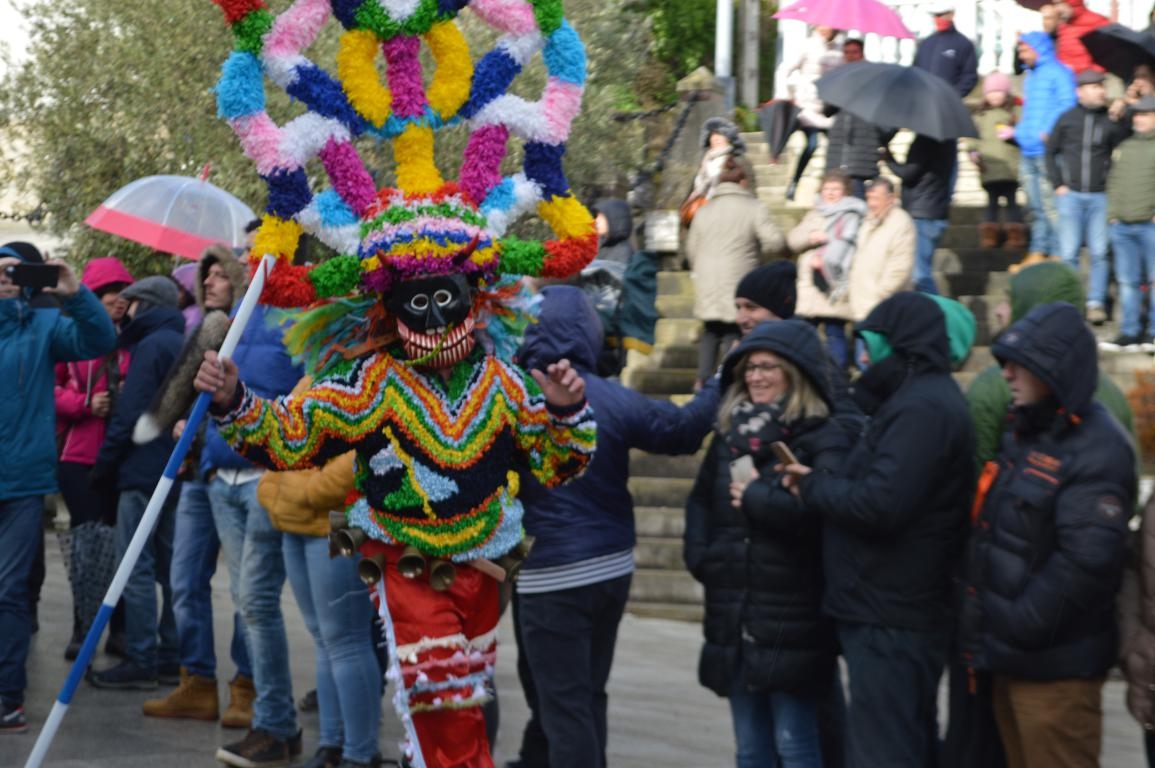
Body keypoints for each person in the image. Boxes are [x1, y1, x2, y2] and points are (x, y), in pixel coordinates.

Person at [509, 285, 714, 768]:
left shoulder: (514, 397)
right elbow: (682, 431)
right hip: (611, 567)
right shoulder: (612, 399)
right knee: (585, 693)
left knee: (563, 703)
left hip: (550, 573)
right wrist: (722, 382)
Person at [781, 292, 976, 768]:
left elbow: (879, 503)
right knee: (904, 738)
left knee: (884, 749)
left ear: (901, 345)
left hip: (893, 612)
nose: (863, 358)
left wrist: (814, 487)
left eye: (872, 344)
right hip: (888, 606)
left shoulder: (923, 409)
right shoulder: (913, 400)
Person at [959, 301, 1135, 768]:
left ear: (1054, 371)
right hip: (1013, 660)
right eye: (1005, 363)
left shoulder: (1098, 448)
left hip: (1055, 674)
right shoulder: (1027, 433)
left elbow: (1086, 564)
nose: (1008, 375)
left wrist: (1017, 625)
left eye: (1021, 364)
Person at [685, 319, 846, 768]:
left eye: (767, 367)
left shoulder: (820, 436)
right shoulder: (728, 435)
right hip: (735, 606)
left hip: (791, 615)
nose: (755, 377)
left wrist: (759, 498)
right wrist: (703, 559)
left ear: (795, 372)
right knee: (750, 748)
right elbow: (700, 502)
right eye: (749, 368)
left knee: (795, 743)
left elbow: (823, 512)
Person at [141, 245, 258, 732]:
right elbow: (185, 396)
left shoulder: (261, 329)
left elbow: (262, 394)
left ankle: (247, 687)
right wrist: (181, 422)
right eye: (204, 277)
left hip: (246, 472)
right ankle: (197, 684)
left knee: (247, 591)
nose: (206, 283)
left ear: (238, 278)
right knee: (185, 580)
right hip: (201, 470)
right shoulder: (203, 330)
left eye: (217, 276)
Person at [0, 242, 116, 733]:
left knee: (9, 591)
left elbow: (99, 338)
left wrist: (74, 292)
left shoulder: (44, 326)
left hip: (25, 482)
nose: (4, 277)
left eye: (12, 270)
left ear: (28, 278)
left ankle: (8, 695)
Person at [255, 418, 381, 768]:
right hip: (295, 523)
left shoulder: (373, 374)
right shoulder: (314, 375)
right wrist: (277, 487)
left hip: (337, 525)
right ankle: (332, 745)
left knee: (347, 641)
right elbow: (281, 433)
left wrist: (301, 491)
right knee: (325, 640)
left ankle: (360, 752)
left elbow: (356, 460)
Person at [87, 276, 186, 689]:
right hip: (173, 471)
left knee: (137, 567)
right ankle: (169, 655)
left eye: (130, 305)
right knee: (169, 570)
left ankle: (141, 656)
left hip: (141, 470)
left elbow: (131, 418)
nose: (125, 312)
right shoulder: (182, 343)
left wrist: (103, 466)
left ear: (144, 306)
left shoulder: (150, 347)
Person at [54, 256, 133, 661]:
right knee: (86, 548)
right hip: (79, 458)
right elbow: (49, 390)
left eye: (122, 295)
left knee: (119, 546)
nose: (117, 302)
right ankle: (82, 626)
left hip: (119, 458)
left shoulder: (133, 345)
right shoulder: (72, 339)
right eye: (108, 295)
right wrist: (85, 403)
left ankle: (119, 629)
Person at [687, 158, 786, 390]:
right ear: (743, 181)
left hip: (707, 279)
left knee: (711, 330)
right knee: (735, 328)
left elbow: (691, 249)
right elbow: (775, 242)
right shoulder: (754, 208)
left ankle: (701, 380)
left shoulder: (703, 211)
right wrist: (761, 258)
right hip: (740, 278)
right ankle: (729, 380)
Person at [1046, 69, 1130, 326]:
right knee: (1068, 252)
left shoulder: (1110, 120)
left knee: (1099, 253)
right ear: (1080, 91)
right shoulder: (1067, 119)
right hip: (1070, 195)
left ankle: (1095, 303)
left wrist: (1122, 115)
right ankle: (1071, 302)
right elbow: (1050, 152)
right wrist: (1058, 183)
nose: (1101, 91)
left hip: (1100, 196)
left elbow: (1128, 143)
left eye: (1102, 87)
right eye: (1095, 87)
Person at [789, 169, 866, 368]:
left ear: (845, 191)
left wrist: (827, 251)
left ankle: (837, 376)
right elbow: (792, 241)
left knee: (834, 332)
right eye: (827, 188)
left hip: (835, 282)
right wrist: (810, 237)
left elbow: (851, 245)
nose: (830, 193)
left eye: (836, 189)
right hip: (811, 287)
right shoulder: (814, 214)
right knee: (804, 333)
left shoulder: (852, 214)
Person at [1014, 32, 1077, 268]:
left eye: (1024, 50)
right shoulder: (1030, 76)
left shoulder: (1059, 72)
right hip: (1027, 150)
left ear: (1038, 48)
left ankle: (1059, 252)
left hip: (1048, 152)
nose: (1021, 55)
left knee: (1052, 207)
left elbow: (1067, 103)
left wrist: (1048, 130)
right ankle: (1039, 250)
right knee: (1035, 207)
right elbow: (1030, 109)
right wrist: (1020, 132)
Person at [1103, 95, 1155, 350]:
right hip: (1122, 224)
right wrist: (1112, 214)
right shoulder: (1125, 146)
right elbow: (1114, 181)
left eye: (1145, 114)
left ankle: (1153, 332)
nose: (1139, 119)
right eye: (1136, 114)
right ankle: (1129, 331)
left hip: (1150, 225)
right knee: (1127, 281)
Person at [883, 133, 957, 294]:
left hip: (922, 213)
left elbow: (909, 173)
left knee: (919, 275)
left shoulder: (925, 140)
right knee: (922, 270)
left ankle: (937, 314)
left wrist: (888, 158)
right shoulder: (950, 140)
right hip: (936, 212)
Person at [824, 38, 895, 201]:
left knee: (857, 204)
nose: (850, 56)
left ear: (862, 54)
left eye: (854, 52)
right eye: (846, 53)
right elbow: (827, 110)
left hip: (861, 157)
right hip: (839, 155)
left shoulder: (874, 79)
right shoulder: (840, 79)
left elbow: (887, 121)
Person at [966, 72, 1025, 250]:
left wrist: (1015, 134)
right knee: (991, 202)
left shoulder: (1015, 113)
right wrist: (972, 151)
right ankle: (989, 236)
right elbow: (972, 136)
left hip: (1010, 167)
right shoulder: (980, 116)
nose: (994, 96)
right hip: (988, 167)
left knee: (1011, 201)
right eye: (991, 92)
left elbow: (1026, 131)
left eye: (999, 92)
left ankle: (1015, 235)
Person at [846, 177, 916, 326]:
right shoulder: (867, 221)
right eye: (869, 198)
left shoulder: (901, 223)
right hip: (862, 306)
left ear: (890, 199)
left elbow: (899, 268)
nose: (871, 203)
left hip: (884, 309)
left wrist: (879, 296)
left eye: (876, 199)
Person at [784, 26, 843, 201]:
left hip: (828, 109)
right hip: (808, 108)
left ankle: (827, 187)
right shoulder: (807, 45)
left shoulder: (839, 50)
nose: (827, 29)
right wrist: (786, 95)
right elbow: (785, 69)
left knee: (836, 146)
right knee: (811, 145)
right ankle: (794, 182)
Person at [682, 117, 755, 223]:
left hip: (729, 215)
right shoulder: (704, 161)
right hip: (703, 214)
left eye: (720, 135)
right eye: (713, 135)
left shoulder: (739, 160)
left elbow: (749, 189)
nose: (716, 139)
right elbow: (694, 189)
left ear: (729, 138)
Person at [913, 3, 979, 98]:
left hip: (948, 104)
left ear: (952, 14)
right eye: (936, 15)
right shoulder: (926, 43)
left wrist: (953, 96)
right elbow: (916, 71)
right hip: (924, 101)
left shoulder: (963, 43)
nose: (938, 19)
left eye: (941, 15)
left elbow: (969, 76)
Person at [1054, 0, 1110, 76]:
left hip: (1090, 81)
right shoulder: (1062, 26)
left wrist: (1091, 77)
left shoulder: (1098, 22)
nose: (1057, 9)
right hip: (1067, 80)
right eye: (1055, 4)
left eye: (1060, 3)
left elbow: (1108, 55)